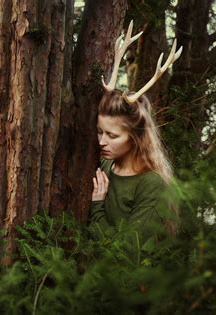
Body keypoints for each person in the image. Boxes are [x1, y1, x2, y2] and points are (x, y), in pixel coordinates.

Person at [89, 21, 182, 239]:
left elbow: (128, 253)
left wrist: (96, 208)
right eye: (100, 131)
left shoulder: (151, 183)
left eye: (112, 135)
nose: (102, 141)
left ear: (136, 136)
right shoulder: (106, 164)